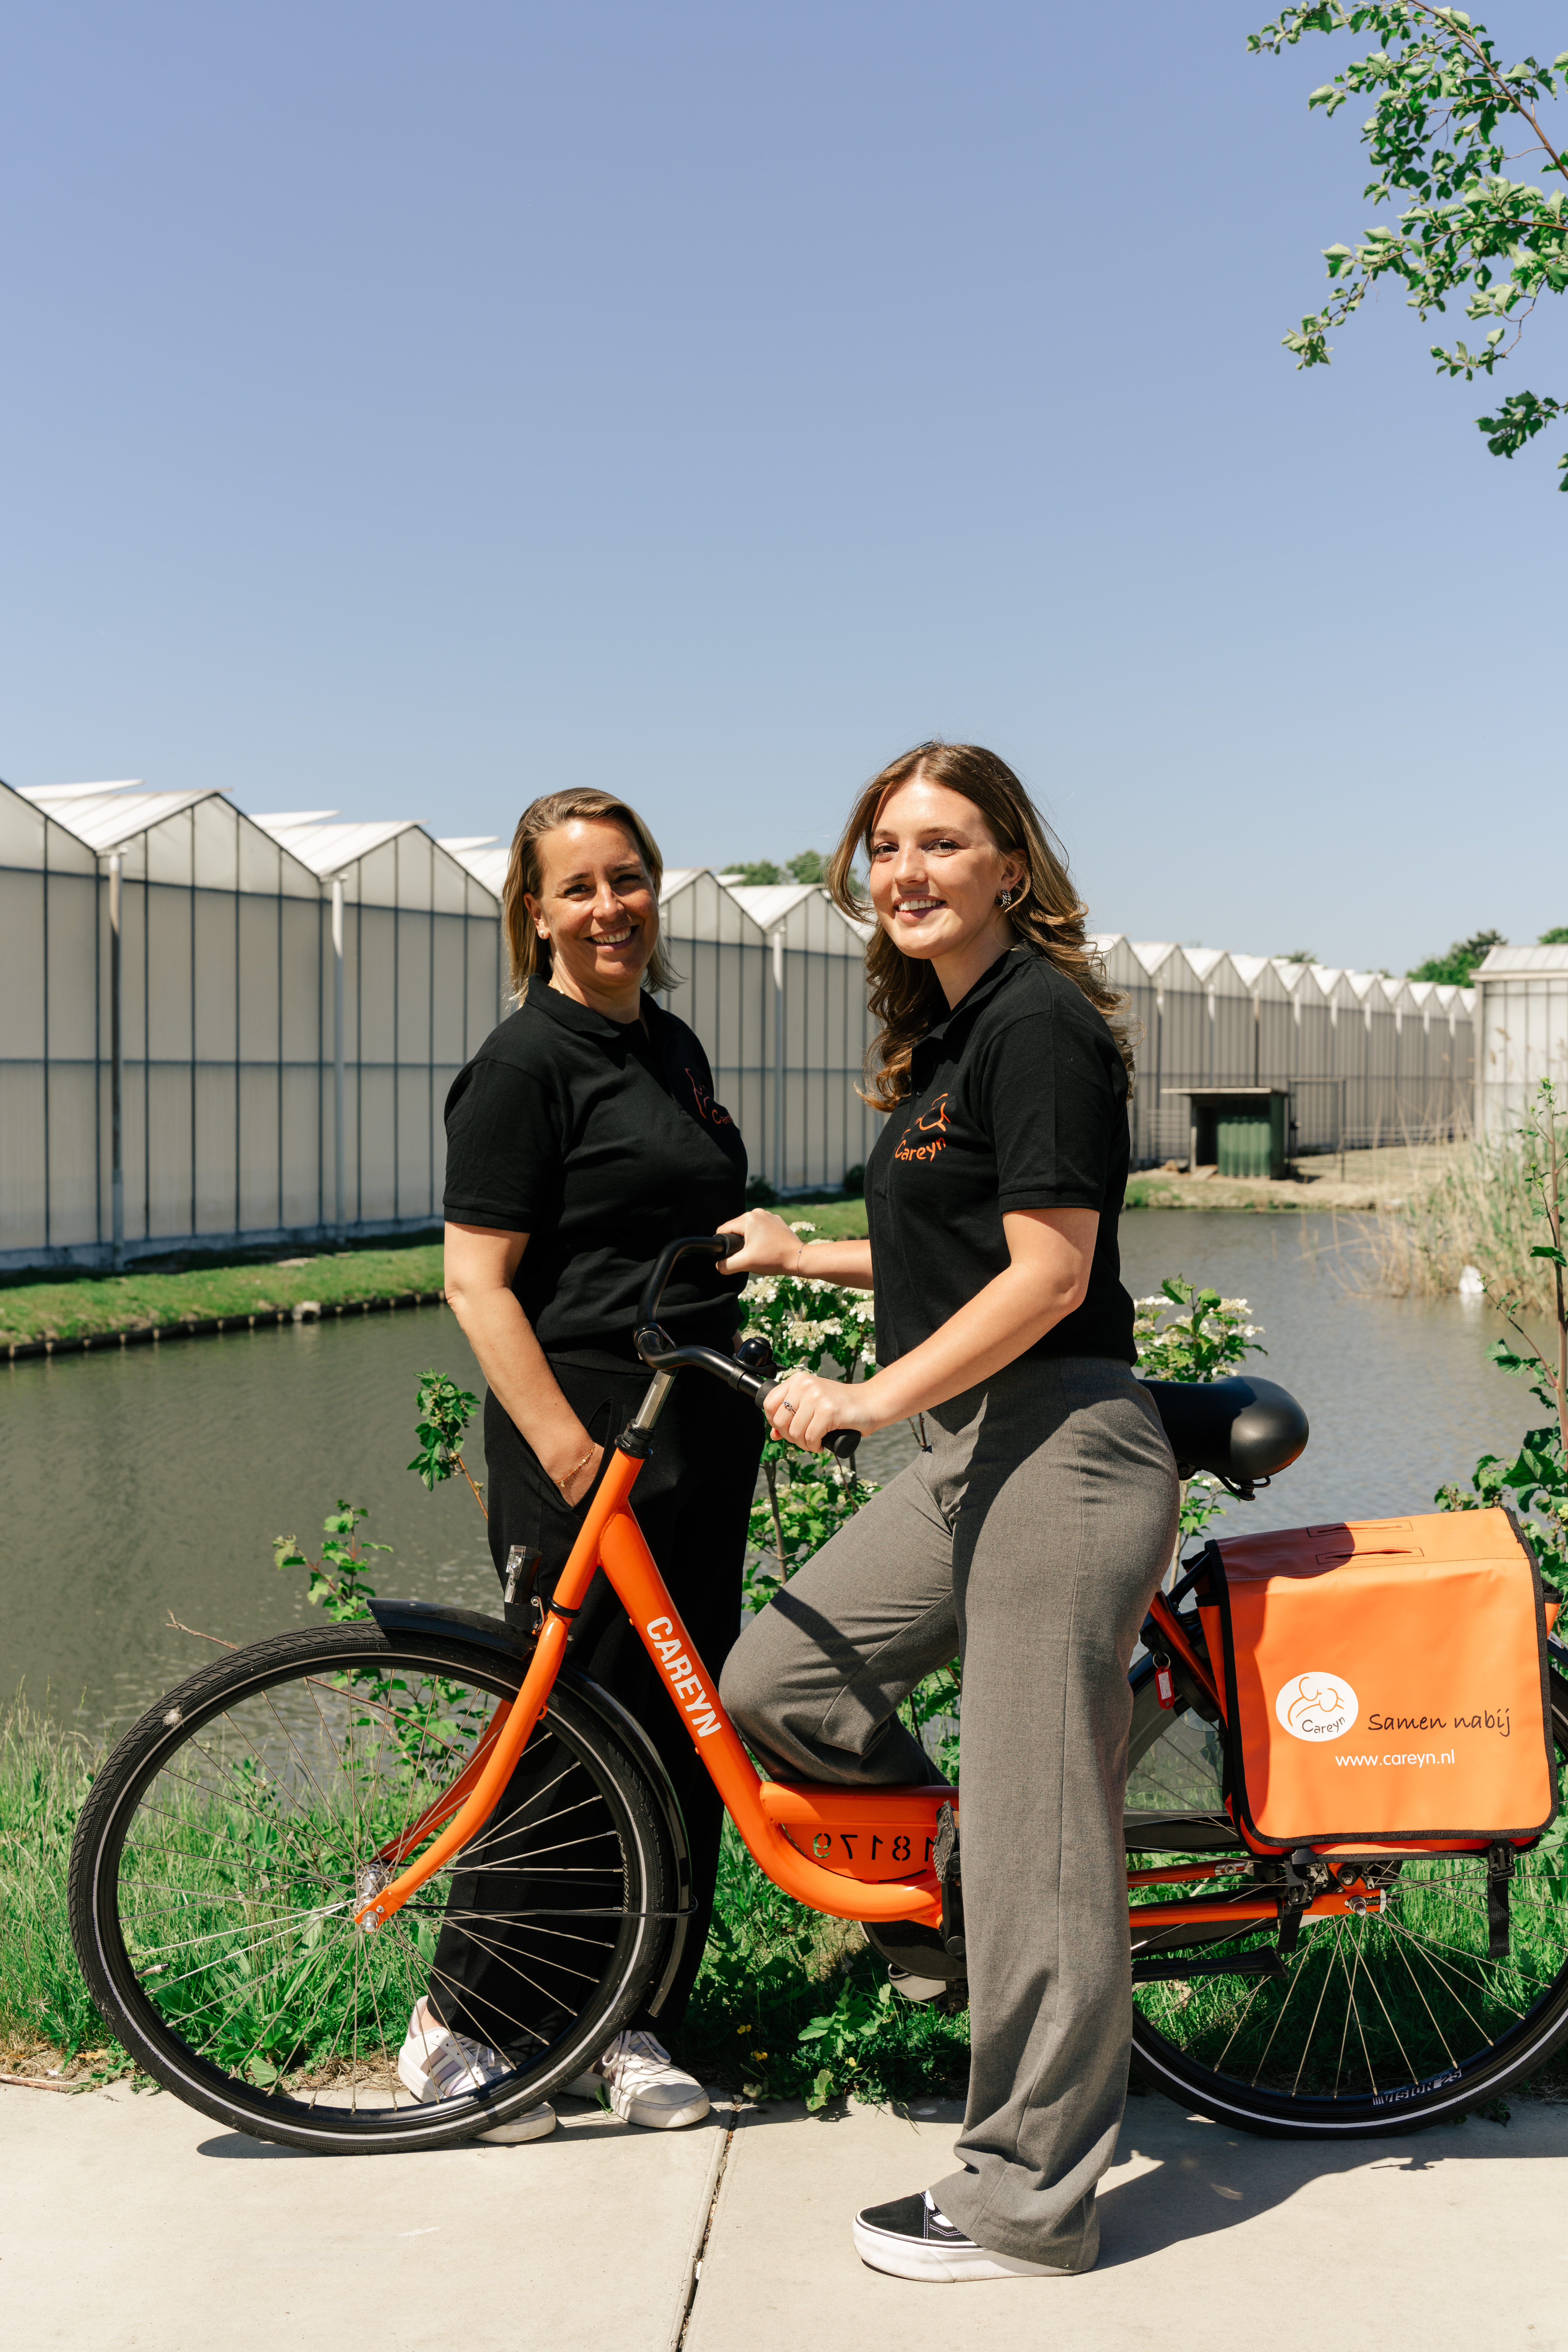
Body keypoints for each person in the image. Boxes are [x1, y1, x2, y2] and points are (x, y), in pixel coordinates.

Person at [718, 741, 1177, 2281]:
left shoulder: (1041, 1025)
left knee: (1044, 1834)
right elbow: (962, 1253)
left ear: (1010, 868)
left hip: (1064, 1446)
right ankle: (984, 1930)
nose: (908, 871)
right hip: (980, 1449)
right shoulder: (955, 1035)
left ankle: (1026, 2203)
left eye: (942, 842)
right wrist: (807, 1257)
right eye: (886, 849)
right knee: (779, 1681)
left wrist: (862, 1400)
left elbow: (1051, 1275)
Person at [396, 787, 763, 2143]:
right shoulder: (523, 1066)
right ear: (535, 911)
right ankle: (466, 2022)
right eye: (580, 886)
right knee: (569, 1736)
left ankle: (630, 2019)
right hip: (584, 1438)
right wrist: (561, 1444)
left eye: (630, 879)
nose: (611, 906)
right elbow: (476, 1281)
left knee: (688, 1729)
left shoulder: (668, 1045)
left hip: (695, 1433)